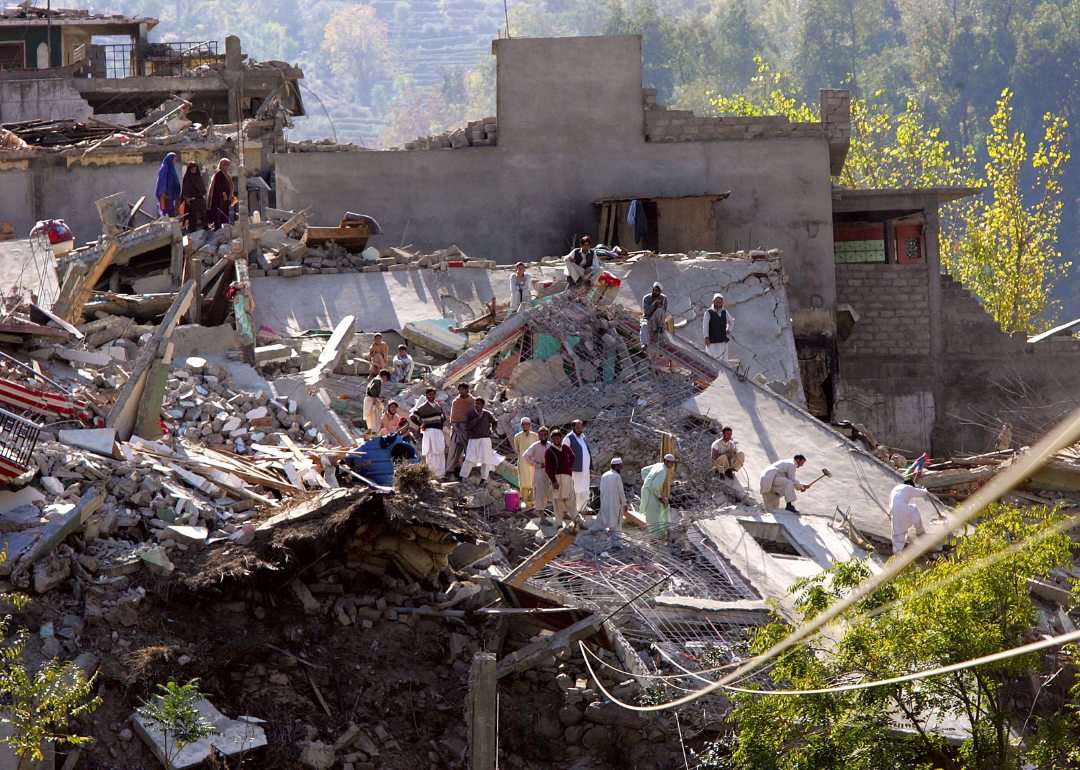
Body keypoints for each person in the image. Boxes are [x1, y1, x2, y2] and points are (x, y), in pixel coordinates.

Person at [460, 397, 499, 481]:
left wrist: (493, 429)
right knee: (469, 458)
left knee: (486, 460)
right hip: (473, 439)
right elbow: (468, 426)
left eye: (479, 403)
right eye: (476, 403)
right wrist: (477, 418)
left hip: (485, 439)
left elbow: (495, 422)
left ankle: (483, 479)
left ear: (482, 405)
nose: (477, 405)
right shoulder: (470, 414)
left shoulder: (487, 414)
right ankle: (463, 476)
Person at [410, 387, 446, 477]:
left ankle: (440, 474)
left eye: (433, 394)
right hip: (429, 432)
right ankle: (431, 473)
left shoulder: (437, 406)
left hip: (438, 432)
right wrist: (420, 425)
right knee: (431, 452)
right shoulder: (423, 407)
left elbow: (443, 418)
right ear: (426, 395)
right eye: (430, 394)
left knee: (440, 452)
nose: (431, 396)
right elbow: (412, 416)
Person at [888, 479, 931, 555]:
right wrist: (925, 490)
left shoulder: (896, 489)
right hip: (903, 508)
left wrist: (890, 513)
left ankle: (898, 553)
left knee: (898, 530)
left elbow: (892, 502)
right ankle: (919, 531)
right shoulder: (908, 487)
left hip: (894, 511)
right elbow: (921, 493)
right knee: (914, 510)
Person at [544, 428, 577, 527]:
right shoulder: (549, 451)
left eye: (557, 438)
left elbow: (572, 456)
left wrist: (568, 467)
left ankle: (577, 521)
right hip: (557, 477)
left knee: (571, 500)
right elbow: (548, 468)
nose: (556, 440)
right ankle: (559, 524)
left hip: (567, 477)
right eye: (554, 439)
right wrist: (553, 481)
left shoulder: (566, 447)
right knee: (557, 502)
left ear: (561, 438)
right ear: (552, 439)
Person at [640, 454, 675, 538]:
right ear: (666, 461)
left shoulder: (658, 465)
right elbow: (655, 486)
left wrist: (647, 482)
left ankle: (665, 530)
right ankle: (655, 538)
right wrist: (660, 497)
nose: (672, 465)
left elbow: (644, 471)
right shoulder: (662, 471)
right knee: (653, 516)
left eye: (673, 463)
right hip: (650, 493)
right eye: (671, 463)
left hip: (649, 491)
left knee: (665, 508)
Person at [522, 426, 553, 514]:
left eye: (545, 434)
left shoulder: (550, 445)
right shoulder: (535, 446)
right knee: (539, 494)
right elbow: (525, 456)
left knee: (546, 493)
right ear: (539, 436)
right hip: (539, 471)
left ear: (547, 435)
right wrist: (536, 464)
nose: (543, 436)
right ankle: (542, 517)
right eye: (541, 434)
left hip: (548, 472)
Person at [446, 383, 475, 475]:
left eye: (463, 389)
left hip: (468, 429)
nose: (461, 391)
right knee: (454, 450)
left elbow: (475, 416)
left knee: (469, 451)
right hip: (457, 428)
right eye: (460, 389)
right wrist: (457, 428)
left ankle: (469, 472)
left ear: (466, 389)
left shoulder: (472, 401)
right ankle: (449, 470)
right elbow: (453, 418)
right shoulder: (456, 401)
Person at [565, 419, 593, 513]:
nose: (579, 429)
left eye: (580, 427)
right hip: (575, 469)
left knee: (585, 488)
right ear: (573, 427)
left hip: (585, 469)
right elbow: (564, 454)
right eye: (577, 427)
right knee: (576, 489)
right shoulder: (568, 438)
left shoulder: (583, 437)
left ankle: (583, 507)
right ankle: (574, 509)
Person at [596, 457, 628, 532]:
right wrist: (624, 503)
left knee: (604, 519)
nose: (621, 468)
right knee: (615, 524)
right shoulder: (617, 476)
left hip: (605, 502)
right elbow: (620, 491)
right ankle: (615, 540)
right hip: (615, 503)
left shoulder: (604, 475)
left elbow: (601, 490)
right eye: (620, 466)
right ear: (616, 466)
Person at [513, 417, 539, 507]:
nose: (525, 426)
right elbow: (517, 449)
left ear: (529, 425)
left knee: (533, 484)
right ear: (521, 425)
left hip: (533, 463)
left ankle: (533, 503)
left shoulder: (535, 436)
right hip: (523, 463)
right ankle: (524, 503)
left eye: (527, 424)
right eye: (523, 424)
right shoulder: (517, 436)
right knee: (523, 484)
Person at [702, 293, 733, 362]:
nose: (718, 304)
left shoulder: (724, 312)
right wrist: (706, 337)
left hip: (722, 340)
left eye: (720, 303)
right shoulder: (708, 312)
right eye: (717, 302)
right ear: (713, 301)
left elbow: (731, 321)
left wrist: (729, 329)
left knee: (723, 360)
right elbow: (705, 325)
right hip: (712, 340)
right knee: (711, 359)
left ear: (722, 303)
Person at [205, 157, 234, 230]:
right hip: (218, 200)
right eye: (225, 165)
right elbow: (218, 186)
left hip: (224, 200)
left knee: (223, 216)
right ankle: (217, 231)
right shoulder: (219, 174)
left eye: (228, 165)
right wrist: (223, 194)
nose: (227, 167)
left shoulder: (225, 174)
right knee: (218, 216)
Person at [179, 161, 207, 231]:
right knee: (193, 215)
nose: (194, 171)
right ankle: (192, 229)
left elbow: (202, 187)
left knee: (204, 212)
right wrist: (187, 198)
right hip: (192, 200)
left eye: (195, 169)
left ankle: (205, 226)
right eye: (192, 169)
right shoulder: (187, 177)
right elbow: (186, 188)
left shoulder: (198, 177)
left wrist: (204, 194)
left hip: (199, 198)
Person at [640, 282, 668, 346]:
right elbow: (646, 311)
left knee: (660, 310)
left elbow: (663, 312)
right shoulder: (646, 298)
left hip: (658, 320)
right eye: (653, 290)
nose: (654, 292)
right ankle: (644, 344)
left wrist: (658, 306)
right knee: (644, 325)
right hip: (648, 319)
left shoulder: (664, 299)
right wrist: (653, 305)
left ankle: (659, 327)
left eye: (656, 291)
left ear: (660, 292)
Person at [364, 369, 391, 434]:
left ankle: (371, 429)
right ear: (384, 376)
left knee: (372, 416)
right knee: (375, 415)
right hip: (371, 399)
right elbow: (373, 388)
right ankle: (374, 431)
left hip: (369, 399)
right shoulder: (378, 380)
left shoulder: (375, 379)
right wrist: (374, 397)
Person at [155, 152, 182, 217]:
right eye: (173, 160)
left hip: (171, 194)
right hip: (165, 195)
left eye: (175, 160)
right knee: (166, 212)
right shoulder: (164, 168)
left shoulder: (172, 168)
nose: (174, 162)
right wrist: (163, 192)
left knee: (171, 212)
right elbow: (162, 181)